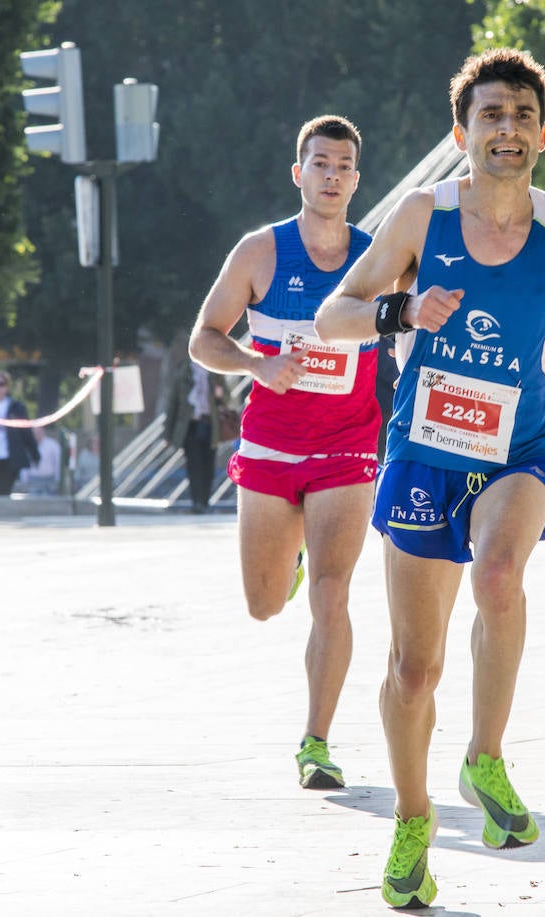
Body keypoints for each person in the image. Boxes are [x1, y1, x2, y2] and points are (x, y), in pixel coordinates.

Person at [313, 48, 545, 909]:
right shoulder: (420, 216)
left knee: (499, 575)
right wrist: (400, 310)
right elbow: (335, 314)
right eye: (490, 116)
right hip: (424, 449)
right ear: (462, 132)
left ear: (542, 134)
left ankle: (485, 755)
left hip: (518, 448)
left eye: (522, 116)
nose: (507, 130)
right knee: (415, 667)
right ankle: (414, 817)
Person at [187, 115, 376, 792]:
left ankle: (316, 740)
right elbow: (203, 338)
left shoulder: (376, 258)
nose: (332, 176)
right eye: (320, 164)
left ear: (357, 179)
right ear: (299, 174)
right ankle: (284, 561)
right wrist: (254, 365)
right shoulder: (259, 253)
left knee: (334, 592)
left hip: (348, 445)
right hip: (270, 445)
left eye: (344, 166)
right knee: (265, 604)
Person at [164, 357, 227, 513]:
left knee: (209, 464)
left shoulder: (214, 371)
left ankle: (205, 501)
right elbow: (172, 404)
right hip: (190, 426)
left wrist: (220, 394)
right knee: (194, 465)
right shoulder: (183, 373)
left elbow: (226, 398)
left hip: (210, 425)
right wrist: (168, 433)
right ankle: (196, 502)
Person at [19, 425, 63, 496]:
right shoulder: (27, 446)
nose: (36, 435)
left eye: (38, 432)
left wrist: (57, 480)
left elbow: (58, 463)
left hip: (49, 481)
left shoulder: (53, 445)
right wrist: (24, 481)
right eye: (34, 433)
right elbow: (25, 465)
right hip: (33, 481)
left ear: (43, 432)